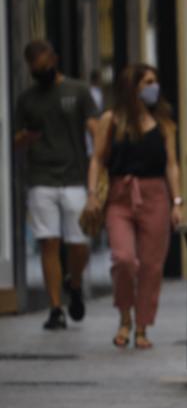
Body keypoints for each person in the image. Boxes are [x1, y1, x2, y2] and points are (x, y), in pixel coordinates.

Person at [83, 63, 182, 349]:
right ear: (133, 87)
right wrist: (92, 194)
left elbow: (172, 165)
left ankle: (142, 327)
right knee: (124, 259)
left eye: (155, 81)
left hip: (155, 196)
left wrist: (177, 202)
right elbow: (98, 159)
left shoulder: (164, 124)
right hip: (119, 195)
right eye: (148, 82)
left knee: (151, 265)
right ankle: (124, 317)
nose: (154, 87)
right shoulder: (110, 120)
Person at [14, 40, 100, 330]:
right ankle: (55, 308)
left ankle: (73, 283)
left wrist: (101, 159)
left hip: (74, 176)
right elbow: (14, 139)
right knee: (48, 242)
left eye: (45, 66)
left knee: (80, 243)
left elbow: (94, 126)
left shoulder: (77, 91)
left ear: (54, 59)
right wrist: (24, 139)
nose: (42, 73)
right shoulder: (27, 100)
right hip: (41, 178)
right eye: (36, 69)